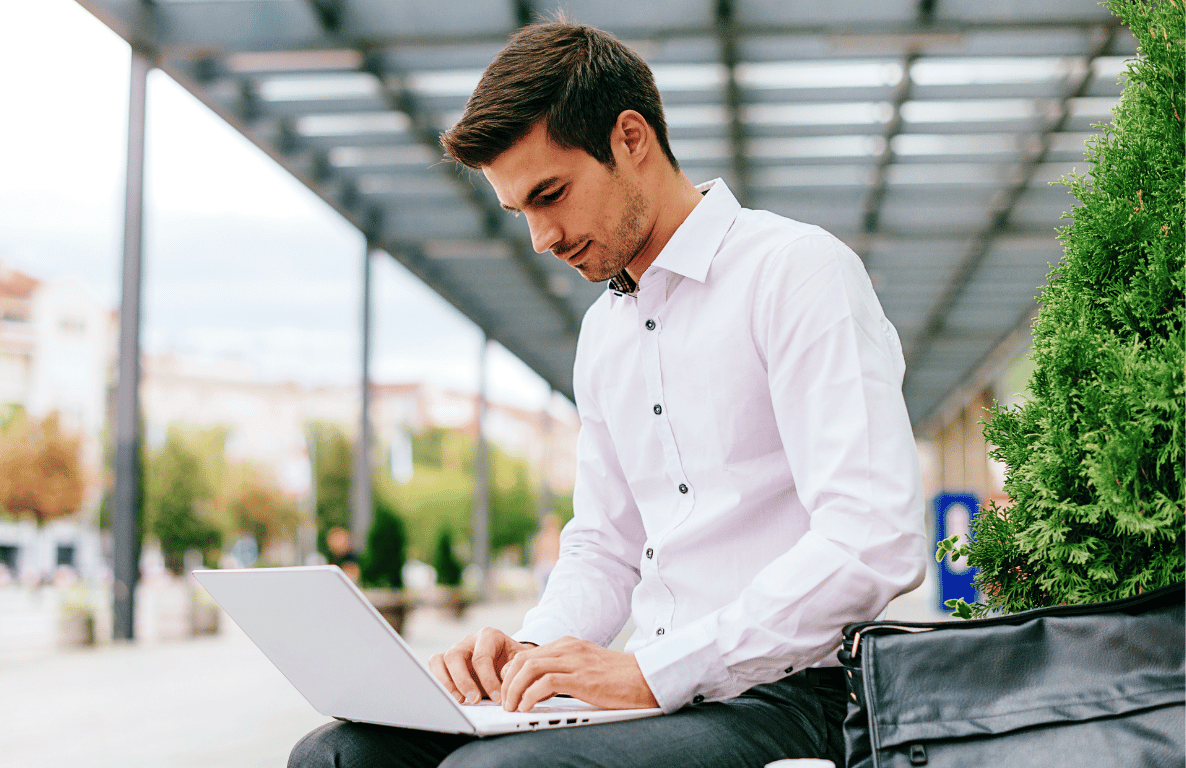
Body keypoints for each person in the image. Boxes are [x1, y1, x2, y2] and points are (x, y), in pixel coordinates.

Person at [290, 20, 926, 768]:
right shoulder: (604, 333)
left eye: (550, 194)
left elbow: (872, 535)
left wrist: (655, 672)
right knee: (338, 754)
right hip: (651, 692)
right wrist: (528, 655)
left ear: (630, 138)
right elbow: (605, 547)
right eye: (521, 212)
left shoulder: (796, 272)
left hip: (790, 694)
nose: (541, 238)